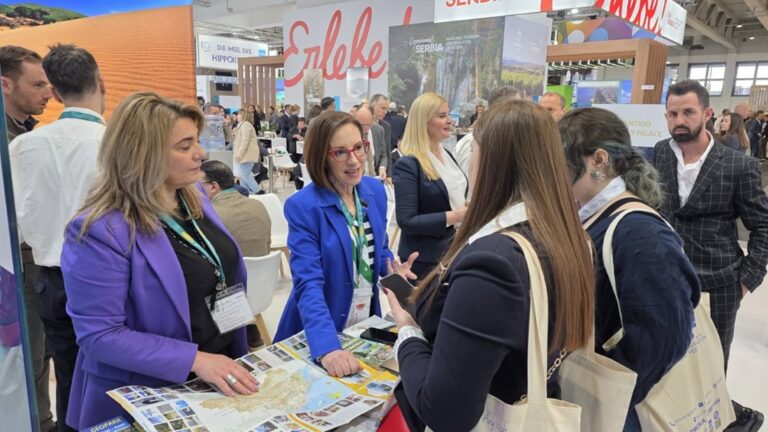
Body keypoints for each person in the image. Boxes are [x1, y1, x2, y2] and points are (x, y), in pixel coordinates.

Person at [383, 99, 595, 432]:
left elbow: (443, 412)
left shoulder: (492, 263)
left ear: (490, 163)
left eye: (475, 153)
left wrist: (408, 331)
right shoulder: (568, 236)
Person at [61, 92, 259, 429]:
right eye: (184, 146)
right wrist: (196, 360)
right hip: (150, 390)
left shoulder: (194, 197)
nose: (201, 154)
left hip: (217, 370)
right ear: (143, 154)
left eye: (197, 141)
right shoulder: (100, 231)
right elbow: (100, 336)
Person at [560, 107, 699, 431]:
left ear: (598, 160)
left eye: (561, 162)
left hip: (620, 412)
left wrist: (609, 395)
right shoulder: (598, 214)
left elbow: (666, 335)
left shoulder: (639, 231)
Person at [653, 80, 767, 430]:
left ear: (707, 114)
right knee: (665, 362)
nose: (679, 121)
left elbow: (763, 225)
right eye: (672, 114)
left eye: (688, 112)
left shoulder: (737, 165)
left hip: (719, 284)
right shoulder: (659, 153)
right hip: (665, 280)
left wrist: (747, 279)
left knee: (712, 368)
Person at [274, 111, 417, 377]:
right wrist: (327, 348)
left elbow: (377, 246)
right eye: (340, 152)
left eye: (358, 148)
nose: (354, 160)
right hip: (320, 326)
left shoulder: (374, 191)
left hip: (363, 321)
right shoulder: (304, 206)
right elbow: (308, 282)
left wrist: (391, 269)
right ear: (321, 156)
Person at [0, 44, 54, 432]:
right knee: (29, 356)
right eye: (37, 85)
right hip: (15, 266)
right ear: (6, 84)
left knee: (41, 353)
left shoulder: (26, 132)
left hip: (37, 263)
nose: (48, 92)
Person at [393, 92, 468, 280]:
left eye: (448, 115)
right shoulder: (409, 164)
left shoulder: (447, 155)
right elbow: (407, 221)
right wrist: (455, 216)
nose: (449, 120)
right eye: (442, 116)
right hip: (425, 260)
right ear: (423, 122)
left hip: (455, 251)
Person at [201, 160, 271, 257]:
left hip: (231, 266)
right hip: (265, 266)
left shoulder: (209, 215)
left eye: (197, 185)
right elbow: (268, 245)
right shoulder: (259, 205)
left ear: (213, 187)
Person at [453, 86, 521, 174]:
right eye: (519, 106)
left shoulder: (514, 140)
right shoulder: (472, 142)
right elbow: (468, 178)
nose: (522, 111)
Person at [232, 108, 262, 194]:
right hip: (244, 155)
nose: (237, 116)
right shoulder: (241, 126)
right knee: (243, 177)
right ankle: (246, 194)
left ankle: (258, 191)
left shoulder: (246, 125)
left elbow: (245, 141)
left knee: (244, 175)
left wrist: (239, 154)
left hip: (247, 155)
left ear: (243, 115)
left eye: (239, 114)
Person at [354, 106, 389, 180]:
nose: (365, 128)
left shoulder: (378, 130)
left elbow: (383, 155)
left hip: (376, 178)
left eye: (368, 124)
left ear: (372, 120)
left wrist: (382, 168)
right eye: (362, 125)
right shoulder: (352, 133)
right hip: (359, 179)